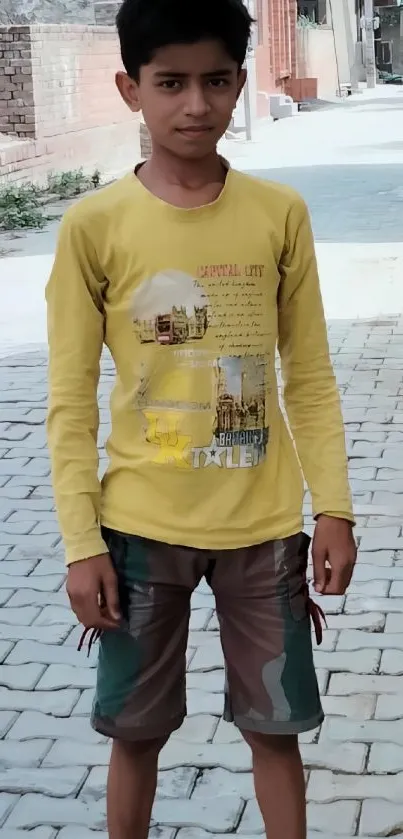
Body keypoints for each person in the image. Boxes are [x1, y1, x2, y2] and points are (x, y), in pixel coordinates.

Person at [46, 1, 357, 838]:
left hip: (263, 529)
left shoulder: (276, 213)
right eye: (170, 83)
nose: (195, 105)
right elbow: (70, 401)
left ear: (237, 85)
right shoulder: (93, 227)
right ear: (130, 88)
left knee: (276, 727)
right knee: (136, 731)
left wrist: (333, 507)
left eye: (215, 81)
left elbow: (312, 376)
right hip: (138, 530)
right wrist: (82, 544)